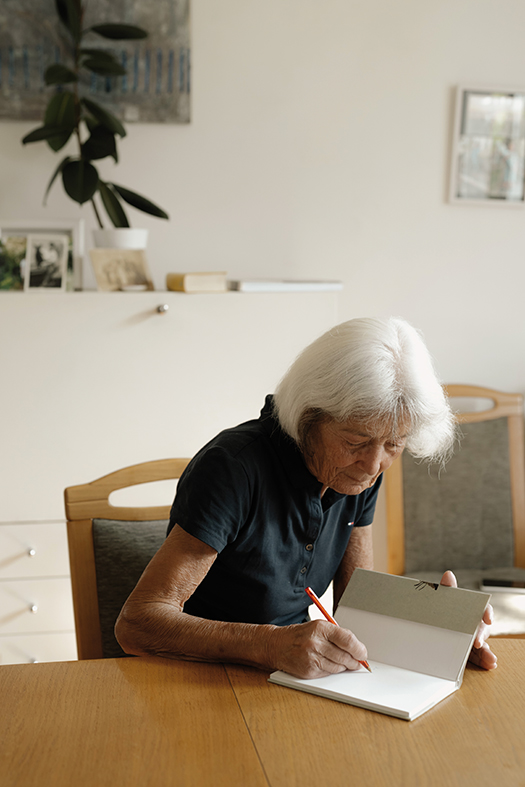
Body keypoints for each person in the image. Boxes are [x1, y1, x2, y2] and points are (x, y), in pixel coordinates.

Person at [115, 317, 496, 676]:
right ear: (308, 417)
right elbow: (137, 623)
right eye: (355, 442)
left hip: (289, 676)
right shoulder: (233, 469)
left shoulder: (358, 473)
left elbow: (357, 609)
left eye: (394, 445)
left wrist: (439, 629)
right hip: (199, 675)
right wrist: (269, 644)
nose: (373, 464)